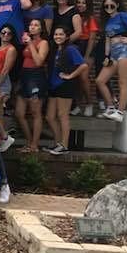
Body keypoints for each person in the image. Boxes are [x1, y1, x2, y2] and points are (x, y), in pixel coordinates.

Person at [43, 25, 89, 156]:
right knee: (50, 116)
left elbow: (84, 65)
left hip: (65, 85)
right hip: (53, 86)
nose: (58, 37)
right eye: (56, 34)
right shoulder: (55, 49)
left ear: (67, 36)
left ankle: (64, 145)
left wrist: (70, 76)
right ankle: (58, 143)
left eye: (61, 34)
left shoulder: (71, 49)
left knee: (62, 115)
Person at [15, 18, 50, 153]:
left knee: (35, 112)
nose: (33, 27)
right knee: (19, 113)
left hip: (36, 76)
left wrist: (30, 44)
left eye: (36, 25)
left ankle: (34, 145)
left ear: (41, 29)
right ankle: (29, 141)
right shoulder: (27, 41)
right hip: (25, 75)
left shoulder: (43, 43)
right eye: (31, 25)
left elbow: (39, 61)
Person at [73, 0, 100, 117]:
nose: (80, 5)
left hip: (86, 48)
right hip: (76, 47)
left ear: (88, 5)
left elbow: (92, 38)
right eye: (78, 2)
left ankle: (89, 104)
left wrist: (87, 56)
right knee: (76, 79)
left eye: (83, 3)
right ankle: (78, 106)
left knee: (84, 78)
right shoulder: (76, 17)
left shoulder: (90, 18)